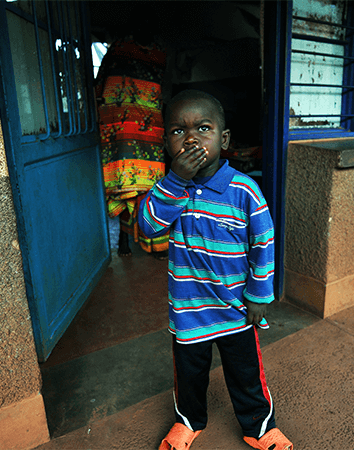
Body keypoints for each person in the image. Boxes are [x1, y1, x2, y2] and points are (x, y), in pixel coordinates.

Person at [138, 90, 293, 450]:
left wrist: (258, 295)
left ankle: (259, 426)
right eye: (178, 131)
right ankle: (189, 421)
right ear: (165, 142)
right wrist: (175, 181)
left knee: (246, 374)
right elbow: (147, 226)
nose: (190, 138)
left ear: (223, 140)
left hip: (236, 309)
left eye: (202, 128)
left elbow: (264, 245)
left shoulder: (244, 191)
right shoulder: (168, 189)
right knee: (189, 375)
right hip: (189, 311)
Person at [95, 37, 169, 258]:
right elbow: (102, 87)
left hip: (150, 132)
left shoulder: (158, 55)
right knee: (123, 187)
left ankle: (153, 243)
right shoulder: (119, 50)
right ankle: (124, 239)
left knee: (152, 190)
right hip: (120, 130)